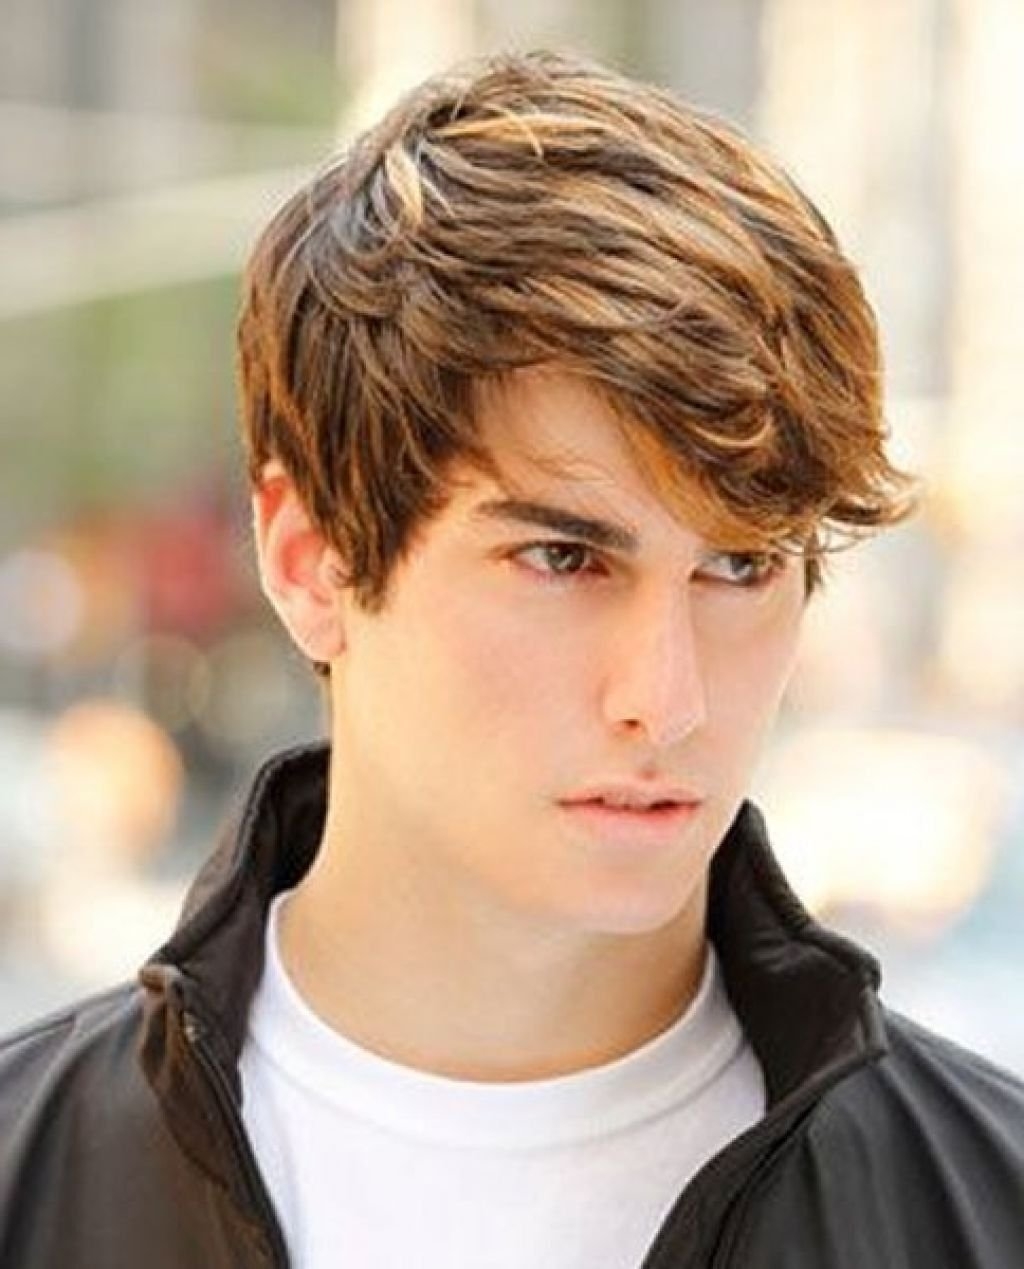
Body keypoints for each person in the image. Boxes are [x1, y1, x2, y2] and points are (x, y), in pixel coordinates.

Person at [1, 48, 1022, 1269]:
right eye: (562, 558)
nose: (667, 700)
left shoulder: (987, 1207)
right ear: (311, 561)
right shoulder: (29, 1181)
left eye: (740, 566)